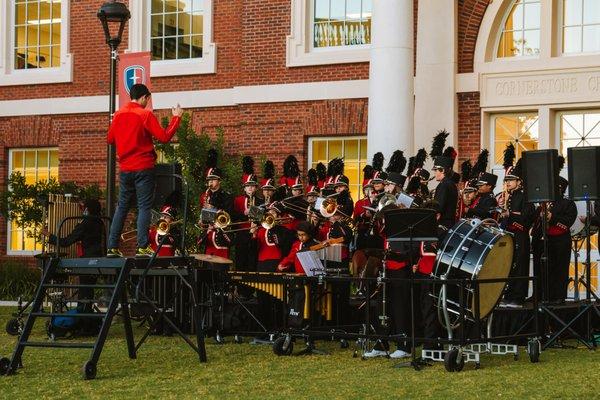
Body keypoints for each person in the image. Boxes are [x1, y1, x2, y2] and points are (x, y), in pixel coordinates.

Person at [106, 83, 183, 257]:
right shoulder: (144, 114)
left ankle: (111, 247)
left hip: (125, 168)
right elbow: (164, 137)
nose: (148, 102)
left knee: (122, 206)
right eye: (148, 99)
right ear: (144, 98)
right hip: (143, 167)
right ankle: (142, 246)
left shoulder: (118, 115)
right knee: (144, 206)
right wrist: (176, 118)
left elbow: (110, 139)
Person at [42, 199, 105, 314]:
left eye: (83, 208)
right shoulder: (100, 222)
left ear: (87, 209)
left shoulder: (85, 223)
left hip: (87, 261)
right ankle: (86, 313)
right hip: (99, 259)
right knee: (88, 289)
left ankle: (82, 316)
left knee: (84, 289)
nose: (82, 210)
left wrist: (49, 236)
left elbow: (66, 242)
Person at [432, 155, 458, 231]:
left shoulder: (444, 185)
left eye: (436, 170)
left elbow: (438, 206)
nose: (435, 173)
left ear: (442, 170)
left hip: (443, 224)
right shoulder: (450, 183)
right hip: (449, 223)